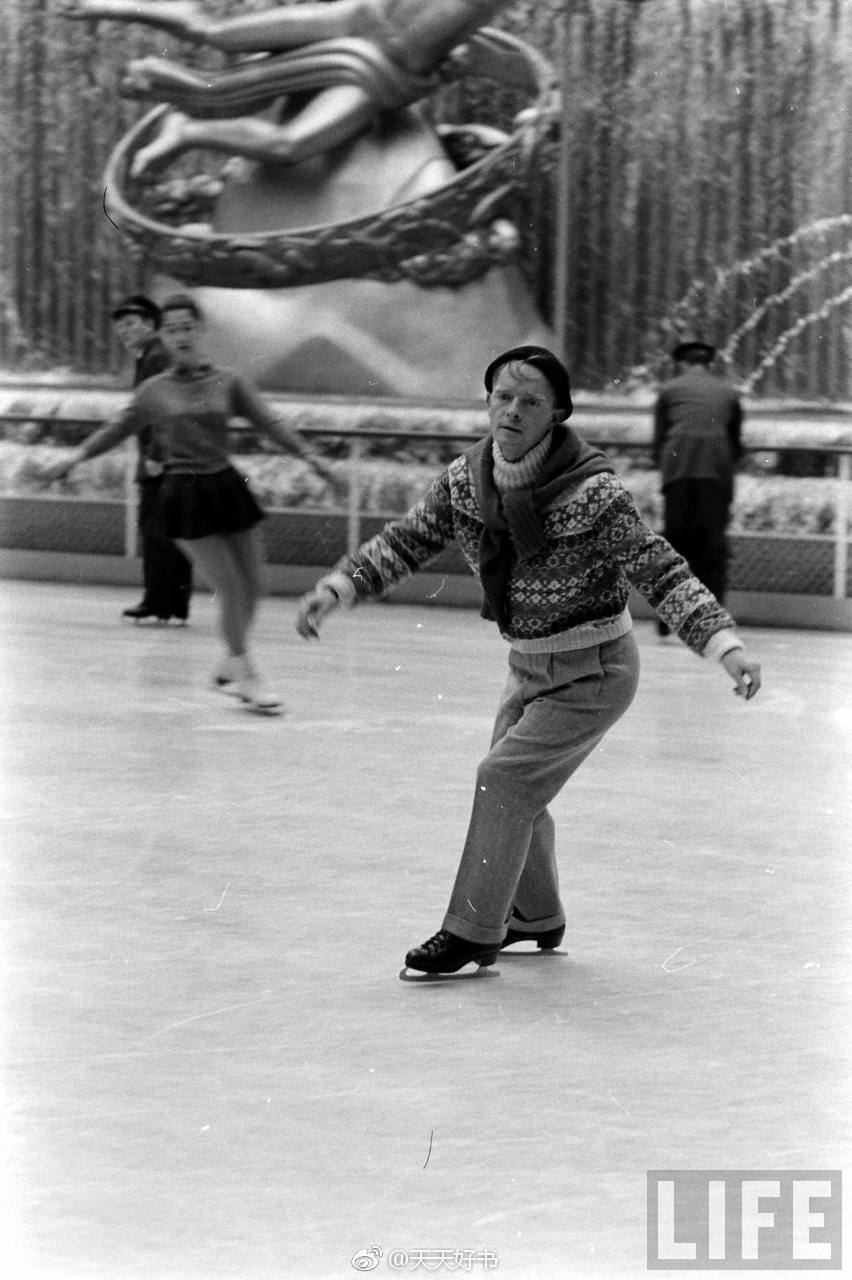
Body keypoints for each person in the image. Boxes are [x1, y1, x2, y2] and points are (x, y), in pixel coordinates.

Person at [295, 345, 762, 976]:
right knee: (521, 790)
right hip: (528, 666)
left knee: (505, 780)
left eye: (530, 401)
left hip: (595, 669)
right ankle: (534, 916)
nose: (511, 411)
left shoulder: (593, 493)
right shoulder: (466, 482)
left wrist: (722, 642)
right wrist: (340, 585)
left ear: (557, 414)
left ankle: (472, 930)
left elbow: (660, 568)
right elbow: (407, 540)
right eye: (501, 397)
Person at [41, 293, 338, 714]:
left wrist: (311, 458)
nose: (180, 335)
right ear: (162, 335)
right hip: (183, 494)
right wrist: (74, 457)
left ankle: (230, 662)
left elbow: (269, 423)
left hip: (226, 486)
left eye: (187, 327)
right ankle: (247, 675)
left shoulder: (228, 381)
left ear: (201, 331)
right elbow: (118, 428)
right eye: (172, 329)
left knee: (255, 585)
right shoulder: (154, 390)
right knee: (231, 587)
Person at [62, 0, 509, 175]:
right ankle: (121, 5)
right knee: (215, 33)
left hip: (384, 72)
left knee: (287, 144)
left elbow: (481, 47)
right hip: (349, 20)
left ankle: (186, 132)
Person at [111, 294, 193, 624]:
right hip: (174, 458)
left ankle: (158, 603)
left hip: (161, 460)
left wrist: (155, 455)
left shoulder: (156, 357)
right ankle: (173, 605)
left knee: (156, 531)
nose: (124, 332)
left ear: (150, 324)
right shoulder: (153, 355)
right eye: (120, 326)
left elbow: (163, 408)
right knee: (169, 532)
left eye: (131, 324)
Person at [653, 340, 744, 637]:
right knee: (713, 547)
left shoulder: (668, 391)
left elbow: (660, 439)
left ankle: (667, 620)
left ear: (681, 364)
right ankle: (712, 621)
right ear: (710, 363)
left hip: (678, 474)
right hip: (715, 474)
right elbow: (735, 443)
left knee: (674, 546)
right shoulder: (729, 392)